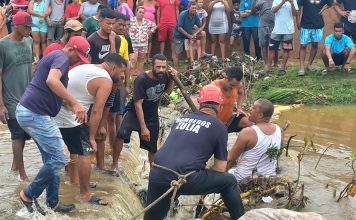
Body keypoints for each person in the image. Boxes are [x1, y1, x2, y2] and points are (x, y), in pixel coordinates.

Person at [144, 84, 245, 220]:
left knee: (152, 217)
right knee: (229, 181)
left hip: (157, 173)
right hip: (183, 177)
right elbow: (220, 168)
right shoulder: (219, 127)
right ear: (220, 106)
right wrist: (204, 178)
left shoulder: (181, 119)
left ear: (200, 103)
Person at [16, 36, 90, 215]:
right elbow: (51, 81)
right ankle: (28, 194)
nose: (76, 62)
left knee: (52, 159)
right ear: (71, 49)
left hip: (30, 112)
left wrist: (71, 105)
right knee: (60, 157)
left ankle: (52, 203)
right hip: (35, 114)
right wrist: (75, 103)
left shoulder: (56, 57)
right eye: (77, 58)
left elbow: (50, 88)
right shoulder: (61, 57)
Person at [55, 53, 127, 206]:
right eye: (121, 72)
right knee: (85, 151)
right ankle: (86, 194)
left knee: (75, 149)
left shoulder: (89, 67)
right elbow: (97, 111)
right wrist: (92, 137)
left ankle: (75, 181)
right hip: (70, 114)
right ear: (113, 68)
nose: (122, 76)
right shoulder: (106, 80)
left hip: (58, 108)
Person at [112, 54, 176, 173]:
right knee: (121, 133)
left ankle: (153, 172)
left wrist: (172, 79)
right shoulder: (142, 79)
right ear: (152, 66)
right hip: (134, 112)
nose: (161, 70)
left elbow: (168, 91)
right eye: (158, 67)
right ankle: (114, 164)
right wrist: (143, 128)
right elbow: (137, 104)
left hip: (151, 114)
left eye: (163, 67)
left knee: (152, 147)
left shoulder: (166, 75)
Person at [0, 11, 33, 183]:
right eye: (26, 27)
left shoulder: (29, 41)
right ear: (17, 26)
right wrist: (1, 105)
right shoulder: (3, 45)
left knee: (24, 134)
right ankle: (22, 173)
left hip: (27, 96)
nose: (29, 30)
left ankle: (14, 166)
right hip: (10, 98)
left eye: (30, 27)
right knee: (17, 134)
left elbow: (30, 69)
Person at [227, 99, 283, 182]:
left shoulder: (248, 132)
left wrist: (216, 177)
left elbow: (230, 160)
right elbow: (277, 154)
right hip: (269, 179)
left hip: (244, 179)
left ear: (260, 115)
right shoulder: (280, 130)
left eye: (253, 108)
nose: (250, 109)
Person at [212, 66, 253, 133]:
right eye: (231, 85)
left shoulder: (237, 85)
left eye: (235, 86)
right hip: (214, 124)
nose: (233, 88)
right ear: (226, 78)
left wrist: (239, 107)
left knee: (250, 122)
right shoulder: (213, 87)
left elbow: (241, 93)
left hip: (228, 121)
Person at [297, 0, 333, 76]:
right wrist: (298, 21)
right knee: (303, 45)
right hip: (305, 24)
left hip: (318, 24)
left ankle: (309, 64)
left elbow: (330, 3)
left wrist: (322, 10)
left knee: (315, 44)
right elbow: (299, 8)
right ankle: (301, 67)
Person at [267, 0, 298, 76]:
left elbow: (295, 13)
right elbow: (273, 10)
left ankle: (282, 68)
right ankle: (269, 68)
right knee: (271, 49)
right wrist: (282, 2)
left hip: (288, 30)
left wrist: (291, 3)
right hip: (277, 30)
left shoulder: (293, 1)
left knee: (286, 50)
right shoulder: (276, 0)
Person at [173, 1, 202, 65]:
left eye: (195, 8)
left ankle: (194, 60)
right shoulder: (182, 14)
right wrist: (189, 36)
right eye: (192, 8)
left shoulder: (196, 15)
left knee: (202, 33)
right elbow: (179, 28)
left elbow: (200, 27)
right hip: (179, 34)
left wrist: (196, 33)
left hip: (189, 31)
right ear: (188, 8)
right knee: (177, 52)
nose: (194, 9)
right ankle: (175, 69)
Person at [129, 6, 156, 74]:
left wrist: (149, 33)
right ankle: (130, 74)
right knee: (133, 59)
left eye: (143, 12)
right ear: (136, 12)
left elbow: (154, 26)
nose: (141, 14)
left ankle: (139, 73)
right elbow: (126, 27)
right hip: (133, 44)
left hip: (143, 44)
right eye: (140, 12)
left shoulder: (146, 21)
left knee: (141, 59)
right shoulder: (131, 20)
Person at [252, 0, 277, 66]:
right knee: (264, 45)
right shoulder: (260, 1)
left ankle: (275, 63)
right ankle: (266, 63)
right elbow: (253, 12)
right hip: (262, 25)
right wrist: (254, 1)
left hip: (274, 26)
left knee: (274, 45)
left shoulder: (276, 1)